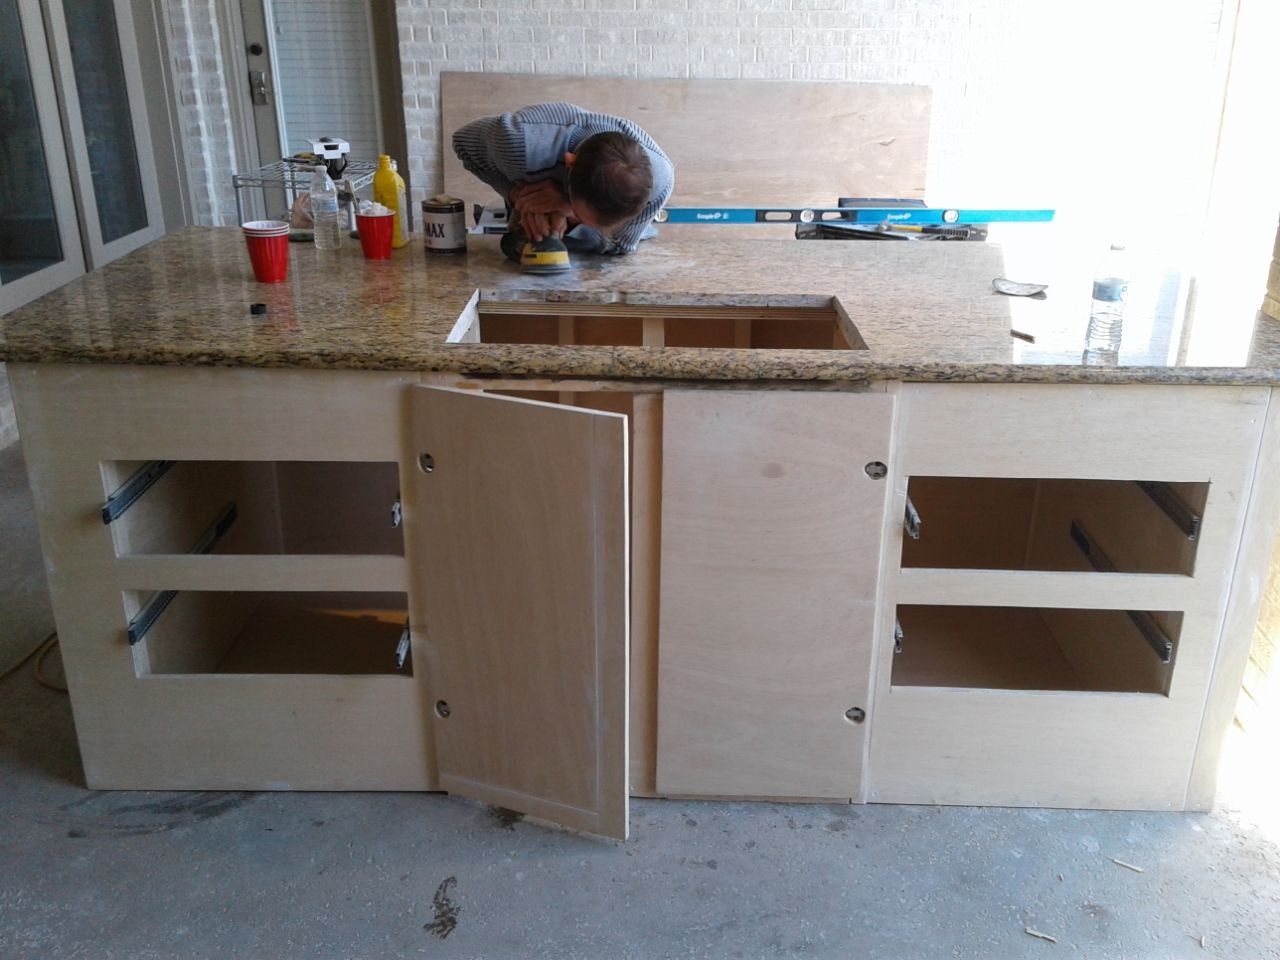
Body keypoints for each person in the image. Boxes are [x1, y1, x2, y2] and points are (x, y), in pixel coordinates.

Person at [452, 102, 674, 257]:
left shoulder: (659, 184)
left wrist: (568, 213)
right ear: (569, 162)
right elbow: (463, 144)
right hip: (537, 163)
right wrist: (519, 195)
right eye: (579, 213)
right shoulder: (518, 141)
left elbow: (620, 245)